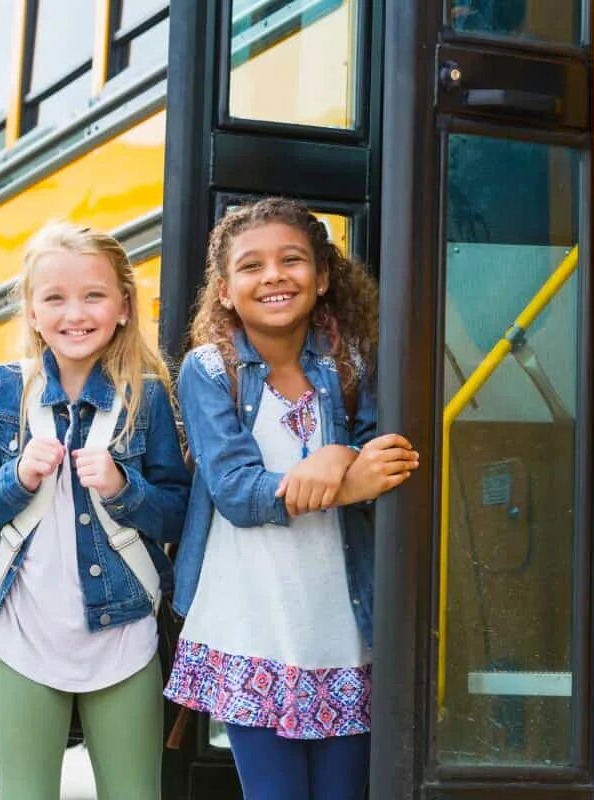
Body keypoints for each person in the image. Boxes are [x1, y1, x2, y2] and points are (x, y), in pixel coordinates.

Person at [164, 198, 419, 800]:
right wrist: (341, 474)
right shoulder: (209, 368)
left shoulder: (352, 364)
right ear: (224, 290)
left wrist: (342, 460)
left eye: (292, 260)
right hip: (250, 623)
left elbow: (385, 461)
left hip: (339, 623)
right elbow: (236, 493)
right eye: (251, 266)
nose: (274, 275)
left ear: (323, 276)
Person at [0, 223, 191, 800]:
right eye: (54, 297)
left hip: (123, 635)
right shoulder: (5, 392)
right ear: (30, 310)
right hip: (23, 636)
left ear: (124, 306)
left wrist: (126, 487)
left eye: (93, 296)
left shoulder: (147, 397)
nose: (74, 313)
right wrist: (16, 478)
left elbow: (178, 514)